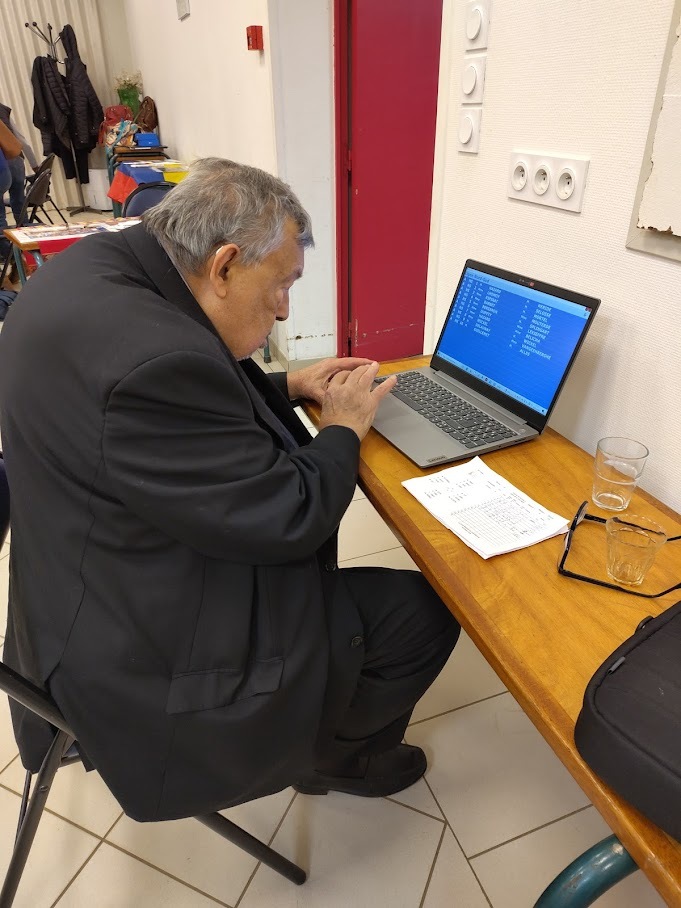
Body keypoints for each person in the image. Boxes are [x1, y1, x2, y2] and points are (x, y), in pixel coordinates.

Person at [0, 158, 460, 823]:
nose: (285, 308)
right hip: (133, 651)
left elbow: (167, 419)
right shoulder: (155, 362)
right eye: (282, 284)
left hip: (78, 582)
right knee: (421, 614)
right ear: (223, 266)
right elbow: (291, 517)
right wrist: (342, 428)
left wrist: (289, 384)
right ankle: (334, 758)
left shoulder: (90, 270)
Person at [0, 103, 39, 225]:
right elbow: (21, 140)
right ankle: (24, 229)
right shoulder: (2, 109)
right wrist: (34, 165)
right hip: (15, 158)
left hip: (2, 162)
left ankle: (3, 235)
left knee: (0, 214)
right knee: (19, 200)